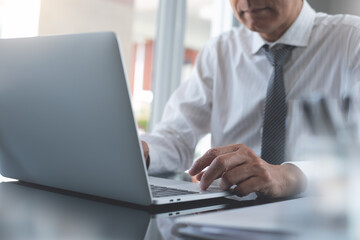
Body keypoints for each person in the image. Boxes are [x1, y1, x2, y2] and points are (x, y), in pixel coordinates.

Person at [140, 0, 360, 198]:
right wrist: (143, 152)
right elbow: (176, 136)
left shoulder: (352, 39)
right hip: (226, 212)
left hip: (321, 213)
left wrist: (287, 176)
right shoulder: (219, 51)